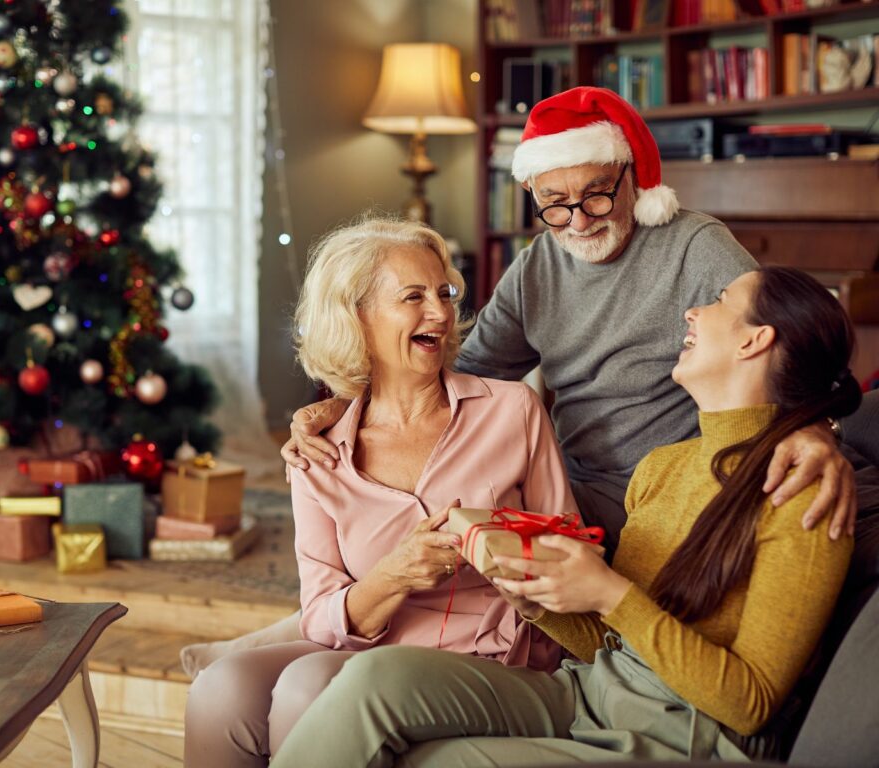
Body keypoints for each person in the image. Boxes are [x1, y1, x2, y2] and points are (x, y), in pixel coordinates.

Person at [268, 265, 861, 767]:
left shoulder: (805, 491)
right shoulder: (665, 467)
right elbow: (608, 641)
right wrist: (527, 589)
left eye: (720, 302)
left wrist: (609, 592)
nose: (693, 313)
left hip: (686, 734)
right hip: (593, 691)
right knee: (375, 682)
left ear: (754, 341)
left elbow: (751, 703)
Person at [283, 86, 870, 557]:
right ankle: (328, 623)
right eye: (554, 204)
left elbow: (785, 331)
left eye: (595, 196)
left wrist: (812, 431)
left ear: (631, 177)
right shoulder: (537, 265)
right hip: (566, 482)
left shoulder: (695, 244)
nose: (578, 222)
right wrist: (348, 407)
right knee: (407, 529)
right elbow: (465, 369)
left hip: (669, 485)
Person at [184, 217, 578, 767]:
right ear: (356, 318)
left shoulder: (513, 411)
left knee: (307, 684)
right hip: (367, 644)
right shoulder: (321, 452)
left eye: (444, 293)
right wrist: (395, 575)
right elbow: (320, 612)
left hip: (487, 655)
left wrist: (515, 565)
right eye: (412, 297)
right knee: (219, 689)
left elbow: (570, 552)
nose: (440, 313)